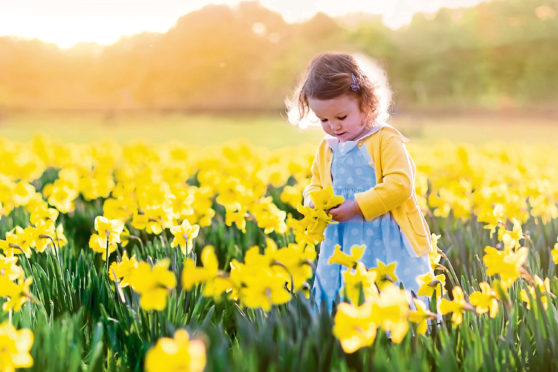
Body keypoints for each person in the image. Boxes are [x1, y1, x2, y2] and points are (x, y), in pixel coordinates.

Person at [287, 52, 434, 312]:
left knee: (389, 294)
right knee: (344, 296)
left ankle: (397, 340)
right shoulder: (328, 147)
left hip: (386, 235)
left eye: (341, 117)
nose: (333, 126)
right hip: (341, 237)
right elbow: (316, 184)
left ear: (367, 104)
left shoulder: (385, 139)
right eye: (323, 120)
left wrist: (356, 206)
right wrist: (312, 201)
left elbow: (400, 185)